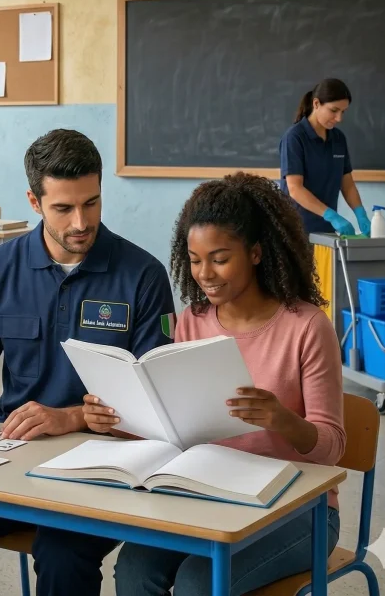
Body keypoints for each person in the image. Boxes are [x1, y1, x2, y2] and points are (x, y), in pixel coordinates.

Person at [0, 129, 176, 596]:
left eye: (91, 203)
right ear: (34, 201)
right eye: (63, 208)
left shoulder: (143, 275)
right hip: (13, 456)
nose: (81, 221)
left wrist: (72, 417)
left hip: (104, 465)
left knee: (62, 555)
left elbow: (156, 405)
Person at [112, 172, 345, 596]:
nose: (205, 274)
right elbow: (178, 428)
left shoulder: (308, 327)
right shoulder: (192, 321)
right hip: (209, 495)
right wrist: (122, 416)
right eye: (194, 259)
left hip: (298, 508)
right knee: (133, 568)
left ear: (255, 253)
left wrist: (281, 419)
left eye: (220, 259)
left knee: (199, 583)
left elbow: (332, 448)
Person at [279, 78, 369, 236]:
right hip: (296, 232)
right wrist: (331, 216)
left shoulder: (338, 138)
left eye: (343, 112)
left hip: (326, 232)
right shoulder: (294, 137)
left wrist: (361, 214)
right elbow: (295, 189)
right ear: (316, 104)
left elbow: (347, 184)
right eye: (334, 110)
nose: (339, 118)